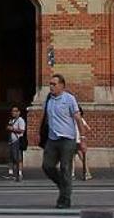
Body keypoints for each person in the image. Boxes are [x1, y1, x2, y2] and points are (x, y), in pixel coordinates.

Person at [37, 73, 89, 209]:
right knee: (47, 166)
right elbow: (46, 119)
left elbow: (78, 119)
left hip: (68, 140)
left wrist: (82, 139)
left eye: (54, 84)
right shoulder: (49, 99)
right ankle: (64, 185)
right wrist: (41, 134)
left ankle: (64, 199)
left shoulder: (69, 99)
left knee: (65, 168)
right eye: (50, 84)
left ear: (62, 86)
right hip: (52, 139)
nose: (51, 87)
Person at [5, 106, 26, 181]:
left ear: (19, 112)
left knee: (18, 158)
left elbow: (22, 131)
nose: (13, 112)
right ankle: (11, 173)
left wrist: (12, 129)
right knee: (11, 158)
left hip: (17, 141)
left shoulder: (20, 120)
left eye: (15, 111)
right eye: (12, 111)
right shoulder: (12, 120)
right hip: (11, 141)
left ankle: (19, 173)